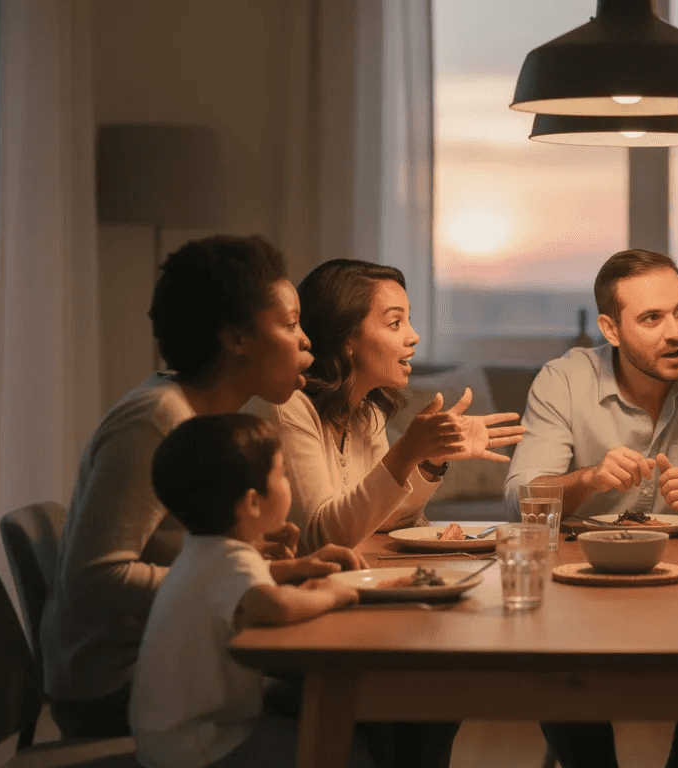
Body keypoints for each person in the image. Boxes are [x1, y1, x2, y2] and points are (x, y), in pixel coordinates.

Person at [505, 248, 678, 768]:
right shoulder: (563, 380)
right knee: (556, 661)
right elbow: (521, 499)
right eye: (651, 318)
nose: (675, 332)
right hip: (584, 584)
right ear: (610, 328)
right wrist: (586, 479)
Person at [41, 235, 315, 738]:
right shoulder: (158, 418)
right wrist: (248, 583)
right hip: (125, 688)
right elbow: (94, 580)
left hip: (179, 660)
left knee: (380, 710)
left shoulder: (208, 420)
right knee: (352, 723)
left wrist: (270, 565)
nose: (305, 341)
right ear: (236, 338)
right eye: (291, 323)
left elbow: (184, 557)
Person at [132, 413, 376, 768]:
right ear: (252, 502)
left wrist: (301, 568)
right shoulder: (232, 559)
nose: (288, 484)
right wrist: (334, 594)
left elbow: (245, 586)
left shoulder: (201, 549)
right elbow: (275, 606)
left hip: (171, 738)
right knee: (346, 755)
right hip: (206, 746)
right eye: (283, 476)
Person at [250, 258, 525, 553]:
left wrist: (430, 460)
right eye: (395, 323)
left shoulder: (368, 413)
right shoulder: (290, 407)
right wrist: (405, 451)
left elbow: (387, 520)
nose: (413, 336)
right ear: (346, 337)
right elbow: (323, 537)